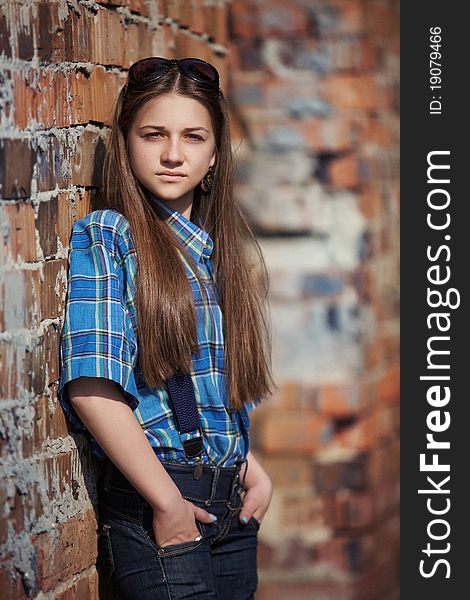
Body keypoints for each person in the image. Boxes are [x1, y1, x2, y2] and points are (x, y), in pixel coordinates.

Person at [57, 56, 277, 599]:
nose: (174, 154)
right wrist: (167, 504)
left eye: (193, 136)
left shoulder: (213, 252)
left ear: (215, 153)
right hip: (164, 508)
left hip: (232, 513)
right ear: (127, 142)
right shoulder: (111, 236)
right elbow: (93, 390)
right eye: (154, 134)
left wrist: (250, 467)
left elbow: (203, 385)